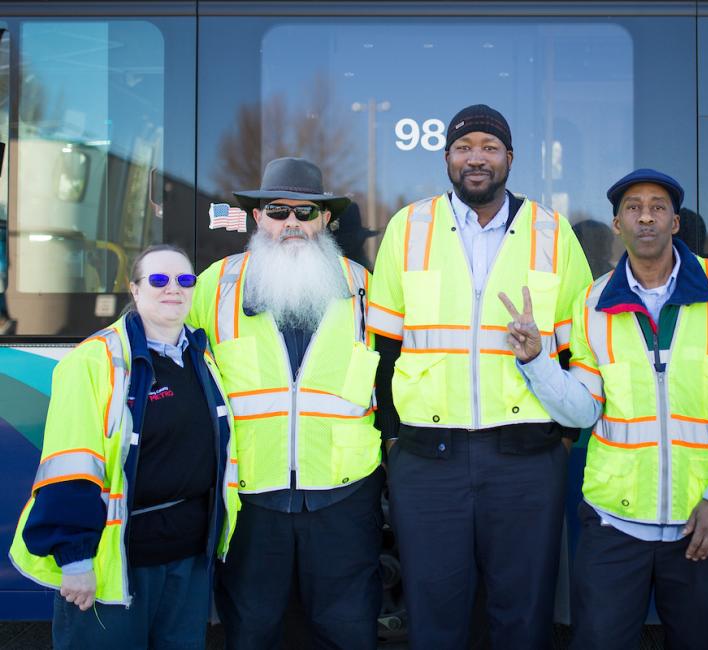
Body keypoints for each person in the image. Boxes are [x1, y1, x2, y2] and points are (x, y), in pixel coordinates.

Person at [367, 104, 593, 648]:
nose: (477, 159)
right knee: (434, 614)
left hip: (525, 460)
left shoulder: (553, 231)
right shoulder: (408, 227)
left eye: (490, 148)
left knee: (523, 613)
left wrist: (560, 439)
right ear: (447, 158)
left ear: (510, 159)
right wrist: (394, 440)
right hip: (427, 460)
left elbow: (577, 349)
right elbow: (384, 347)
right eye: (465, 148)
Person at [505, 169, 708, 649]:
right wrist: (537, 361)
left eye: (658, 206)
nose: (646, 216)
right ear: (617, 223)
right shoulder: (592, 302)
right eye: (633, 208)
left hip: (702, 521)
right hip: (614, 523)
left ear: (676, 222)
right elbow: (582, 411)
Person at [187, 157, 383, 649]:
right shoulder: (215, 285)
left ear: (325, 220)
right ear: (257, 219)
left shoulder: (366, 288)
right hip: (252, 494)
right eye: (278, 211)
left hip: (345, 492)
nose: (291, 223)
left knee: (348, 630)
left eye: (305, 212)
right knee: (251, 631)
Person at [9, 244, 239, 649]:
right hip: (117, 561)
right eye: (158, 280)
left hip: (187, 559)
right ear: (134, 290)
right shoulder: (93, 362)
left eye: (185, 280)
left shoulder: (201, 357)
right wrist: (75, 559)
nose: (174, 289)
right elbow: (69, 464)